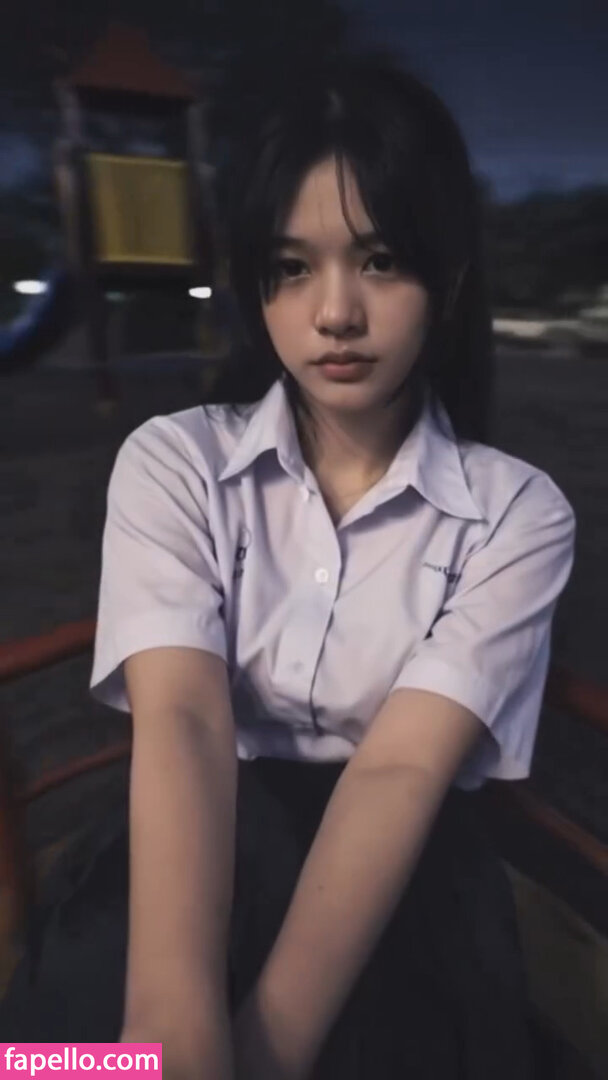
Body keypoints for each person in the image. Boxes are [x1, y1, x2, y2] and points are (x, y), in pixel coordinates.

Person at [0, 49, 575, 1079]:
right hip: (192, 830)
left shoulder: (517, 514)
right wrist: (166, 1022)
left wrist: (266, 1051)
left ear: (447, 280)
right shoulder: (176, 461)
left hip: (403, 862)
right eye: (292, 266)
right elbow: (183, 719)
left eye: (380, 259)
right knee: (53, 1059)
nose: (334, 313)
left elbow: (399, 766)